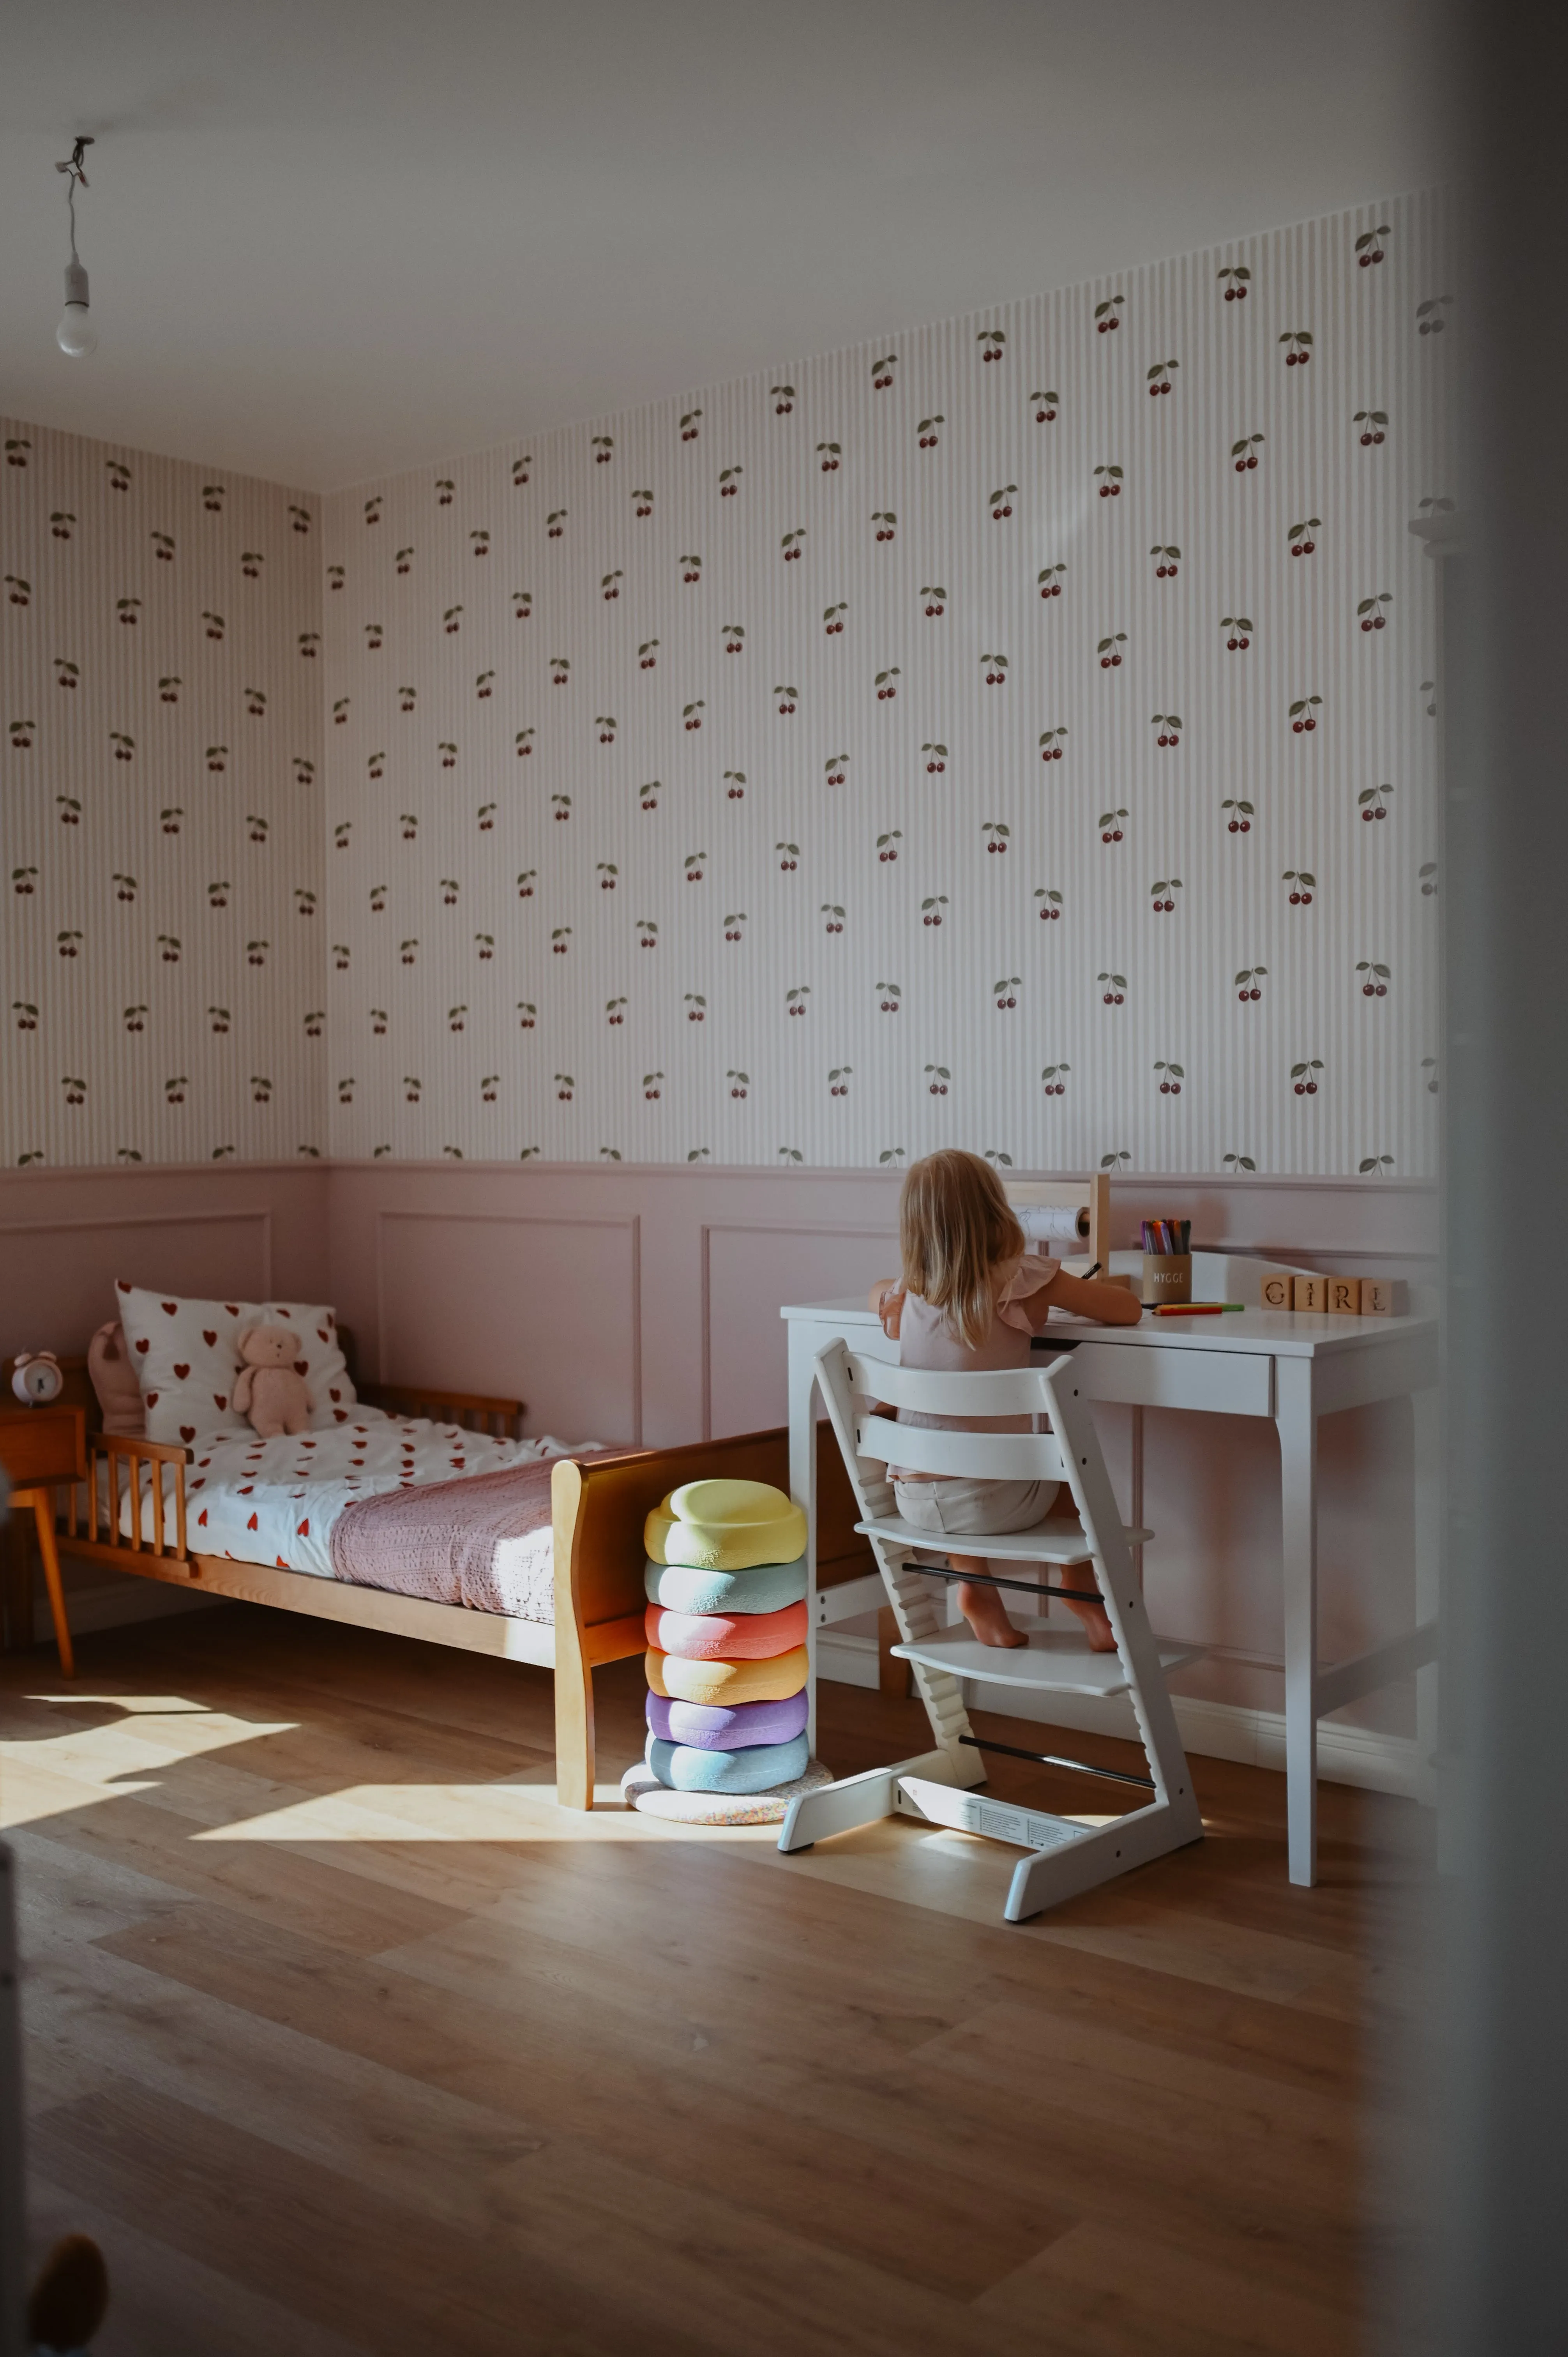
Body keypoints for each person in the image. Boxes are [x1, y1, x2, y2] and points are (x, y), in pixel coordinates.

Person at [867, 1149, 1142, 1650]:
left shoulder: (907, 1291)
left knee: (960, 1455)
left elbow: (878, 1292)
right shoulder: (1023, 1277)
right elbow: (1127, 1311)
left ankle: (975, 1586)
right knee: (1065, 1463)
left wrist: (884, 1298)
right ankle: (1081, 1589)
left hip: (912, 1502)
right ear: (996, 1210)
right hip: (995, 1503)